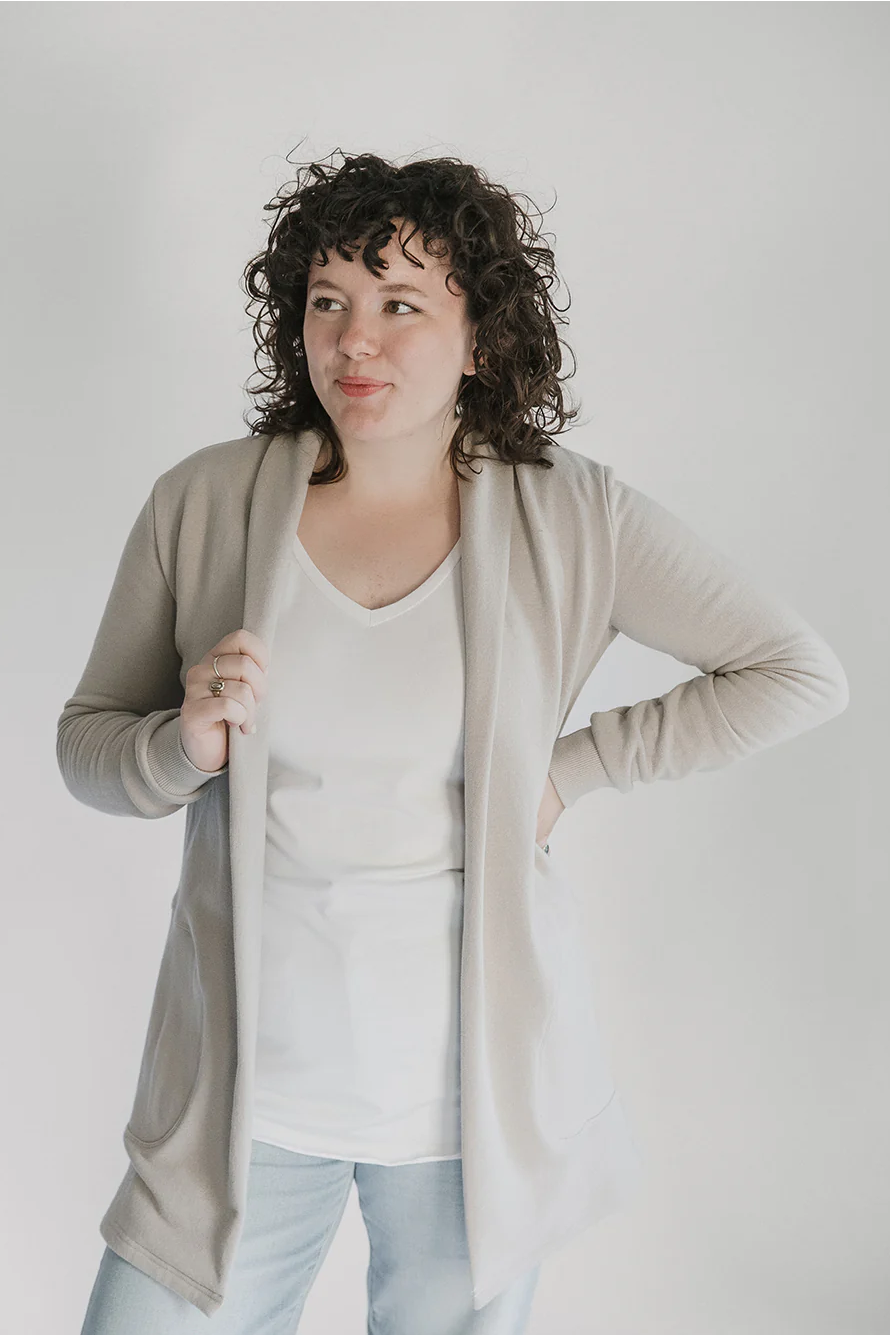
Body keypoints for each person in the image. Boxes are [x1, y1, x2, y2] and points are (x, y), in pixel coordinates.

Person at [63, 150, 848, 1334]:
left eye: (399, 305)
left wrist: (569, 773)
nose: (352, 341)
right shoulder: (204, 504)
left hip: (462, 1126)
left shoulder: (569, 515)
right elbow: (87, 747)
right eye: (326, 302)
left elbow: (794, 672)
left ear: (479, 338)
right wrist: (183, 747)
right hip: (240, 1112)